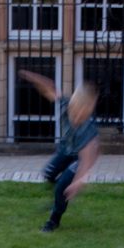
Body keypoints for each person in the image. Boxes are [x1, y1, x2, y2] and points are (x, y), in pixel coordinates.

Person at [17, 70, 101, 232]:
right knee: (48, 174)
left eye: (82, 116)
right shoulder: (65, 104)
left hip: (80, 158)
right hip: (65, 150)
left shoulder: (88, 130)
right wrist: (32, 77)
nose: (77, 119)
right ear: (72, 105)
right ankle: (60, 196)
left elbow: (87, 159)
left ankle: (53, 220)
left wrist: (78, 181)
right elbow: (50, 87)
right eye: (75, 113)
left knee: (62, 187)